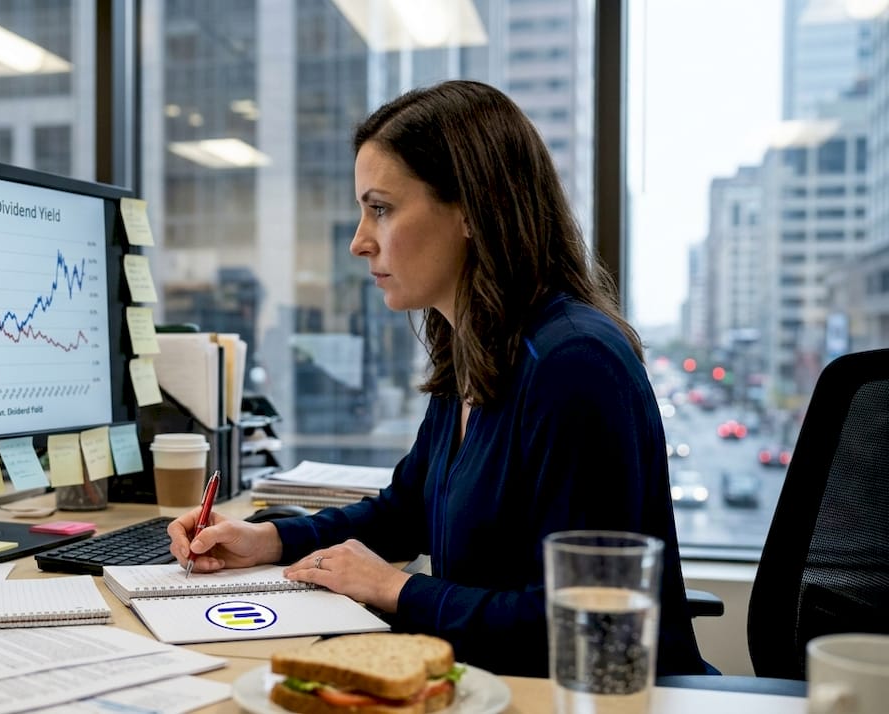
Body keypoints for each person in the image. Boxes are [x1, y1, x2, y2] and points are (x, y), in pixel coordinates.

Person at [168, 80, 711, 678]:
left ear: (474, 210)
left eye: (381, 208)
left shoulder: (574, 365)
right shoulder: (476, 346)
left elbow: (582, 625)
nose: (358, 240)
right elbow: (408, 511)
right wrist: (266, 541)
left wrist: (397, 591)